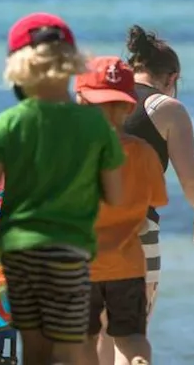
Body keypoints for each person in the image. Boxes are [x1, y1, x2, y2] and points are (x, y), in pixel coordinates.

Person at [0, 12, 125, 365]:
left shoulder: (11, 122)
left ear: (19, 66)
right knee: (74, 346)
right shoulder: (94, 125)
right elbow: (116, 195)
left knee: (34, 348)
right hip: (70, 251)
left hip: (21, 254)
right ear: (71, 62)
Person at [122, 25, 194, 322]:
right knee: (129, 337)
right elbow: (190, 177)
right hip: (136, 228)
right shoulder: (166, 108)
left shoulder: (95, 102)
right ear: (172, 78)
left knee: (93, 338)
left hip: (83, 227)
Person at [74, 56, 168, 365]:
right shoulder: (143, 153)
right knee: (131, 337)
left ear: (79, 102)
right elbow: (154, 201)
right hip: (128, 266)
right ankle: (138, 361)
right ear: (129, 108)